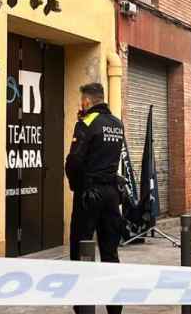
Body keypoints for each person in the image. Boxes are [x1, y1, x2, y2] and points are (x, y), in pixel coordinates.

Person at [65, 83, 125, 314]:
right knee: (110, 252)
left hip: (89, 195)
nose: (81, 105)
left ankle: (84, 308)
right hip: (111, 195)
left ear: (87, 102)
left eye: (82, 101)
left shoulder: (87, 123)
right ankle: (115, 308)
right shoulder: (117, 124)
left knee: (81, 250)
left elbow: (74, 162)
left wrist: (78, 187)